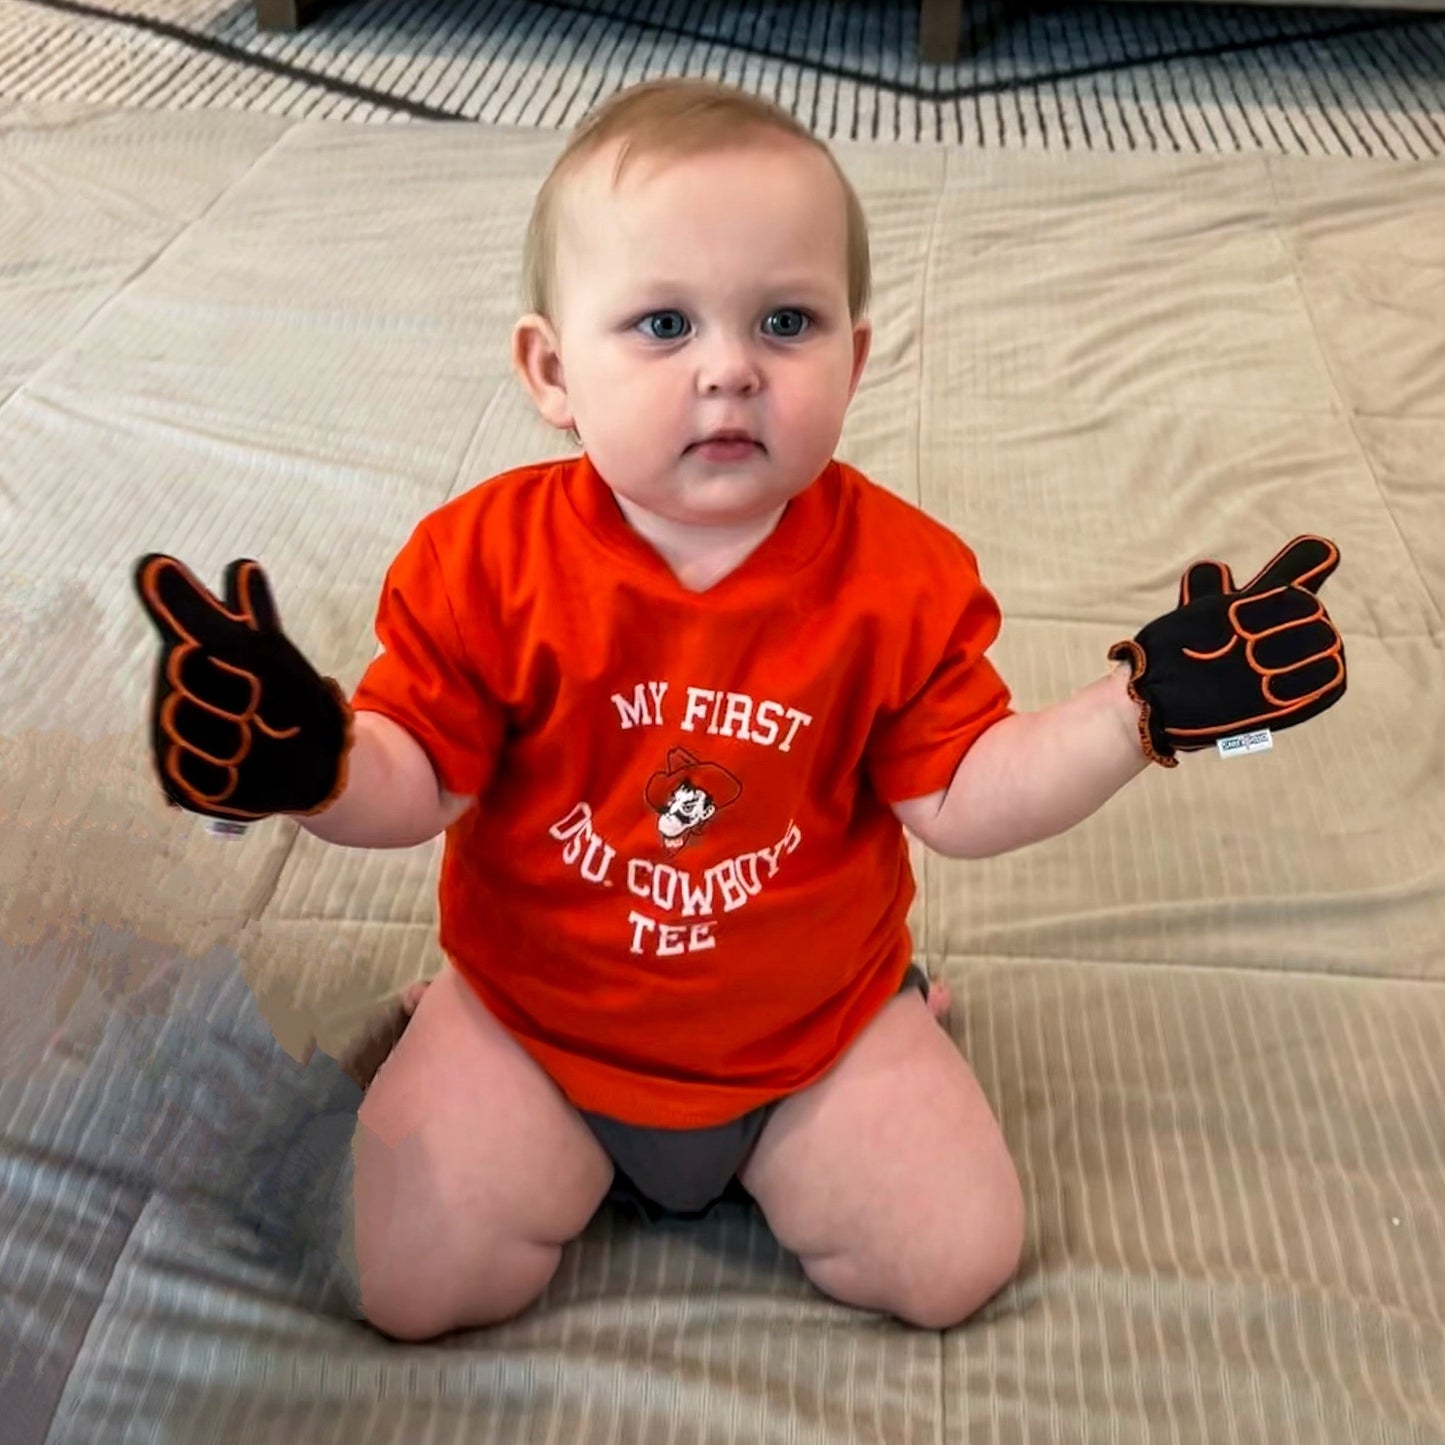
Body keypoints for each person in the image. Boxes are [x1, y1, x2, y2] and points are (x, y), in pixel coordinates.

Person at [132, 77, 1347, 1343]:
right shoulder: (480, 561)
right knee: (407, 1283)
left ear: (855, 358)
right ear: (552, 371)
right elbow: (416, 781)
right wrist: (314, 763)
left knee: (954, 1260)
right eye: (661, 323)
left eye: (784, 321)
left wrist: (1132, 713)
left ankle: (901, 1013)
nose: (728, 370)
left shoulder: (898, 574)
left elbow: (963, 795)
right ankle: (444, 1029)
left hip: (813, 1035)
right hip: (531, 1022)